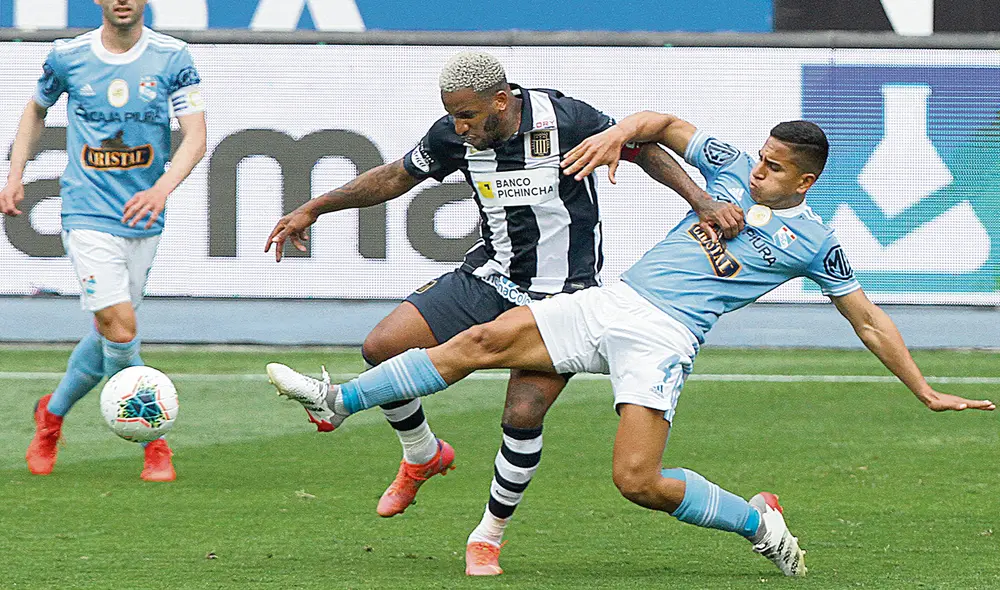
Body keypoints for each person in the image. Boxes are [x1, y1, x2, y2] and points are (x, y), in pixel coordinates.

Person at [265, 113, 995, 577]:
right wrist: (618, 135)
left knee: (637, 482)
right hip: (613, 301)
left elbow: (868, 320)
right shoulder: (728, 169)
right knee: (482, 340)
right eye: (760, 157)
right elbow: (663, 124)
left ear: (806, 180)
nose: (757, 170)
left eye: (774, 167)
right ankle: (338, 402)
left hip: (664, 340)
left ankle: (756, 520)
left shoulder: (816, 242)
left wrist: (924, 389)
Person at [265, 51, 743, 528]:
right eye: (453, 116)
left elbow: (644, 149)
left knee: (522, 415)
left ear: (499, 101)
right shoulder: (453, 136)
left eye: (467, 115)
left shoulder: (565, 119)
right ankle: (422, 453)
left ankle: (488, 536)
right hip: (489, 276)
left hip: (562, 297)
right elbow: (395, 176)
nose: (460, 127)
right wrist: (314, 208)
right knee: (382, 347)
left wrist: (701, 201)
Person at [1, 0, 207, 481]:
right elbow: (35, 110)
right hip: (86, 212)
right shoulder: (68, 56)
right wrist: (15, 173)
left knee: (110, 332)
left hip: (144, 216)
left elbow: (196, 136)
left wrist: (161, 189)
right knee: (120, 327)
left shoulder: (173, 57)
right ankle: (154, 441)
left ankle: (51, 414)